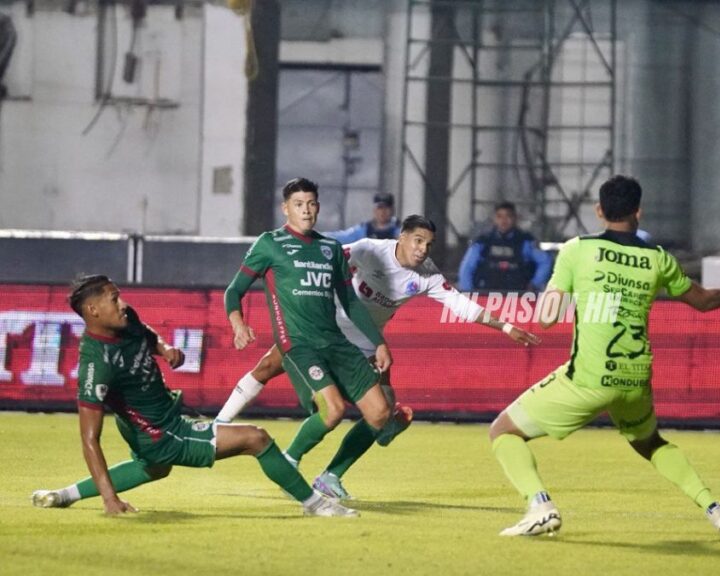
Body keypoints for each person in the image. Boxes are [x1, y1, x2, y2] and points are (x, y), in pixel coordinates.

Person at [488, 175, 720, 537]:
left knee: (503, 431)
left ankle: (540, 506)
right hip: (635, 378)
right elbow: (704, 302)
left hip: (588, 379)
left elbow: (547, 318)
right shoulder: (658, 259)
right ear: (638, 212)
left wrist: (565, 289)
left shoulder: (577, 249)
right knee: (650, 442)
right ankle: (716, 510)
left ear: (599, 210)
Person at [216, 214, 542, 500]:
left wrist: (506, 326)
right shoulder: (368, 249)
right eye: (417, 241)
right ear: (401, 237)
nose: (422, 249)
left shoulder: (426, 276)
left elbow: (462, 306)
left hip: (365, 345)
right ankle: (220, 425)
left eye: (428, 244)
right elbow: (321, 260)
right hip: (324, 329)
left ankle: (329, 476)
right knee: (268, 367)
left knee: (381, 410)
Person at [30, 275, 352, 517]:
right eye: (114, 299)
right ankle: (315, 504)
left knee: (153, 468)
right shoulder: (95, 364)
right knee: (257, 439)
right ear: (93, 311)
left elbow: (147, 334)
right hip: (160, 433)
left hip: (161, 419)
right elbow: (89, 438)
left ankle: (64, 495)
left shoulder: (127, 320)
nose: (123, 303)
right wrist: (110, 500)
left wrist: (165, 348)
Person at [224, 177, 395, 517]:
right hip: (299, 345)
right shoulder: (269, 244)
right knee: (332, 411)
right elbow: (234, 290)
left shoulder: (330, 248)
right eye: (299, 204)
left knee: (381, 413)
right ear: (285, 208)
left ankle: (330, 476)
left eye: (311, 203)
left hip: (336, 341)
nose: (306, 209)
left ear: (318, 207)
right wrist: (238, 323)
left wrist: (379, 343)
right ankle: (289, 460)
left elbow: (350, 300)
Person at [458, 201, 552, 292]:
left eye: (508, 216)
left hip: (518, 297)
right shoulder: (483, 242)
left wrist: (534, 284)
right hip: (486, 295)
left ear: (515, 218)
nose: (504, 220)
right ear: (494, 219)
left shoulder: (525, 241)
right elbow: (466, 268)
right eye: (499, 216)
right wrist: (468, 293)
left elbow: (545, 261)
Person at [329, 192, 401, 244]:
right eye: (380, 208)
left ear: (392, 210)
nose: (383, 212)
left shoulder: (400, 231)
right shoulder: (365, 229)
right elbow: (342, 237)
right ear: (374, 210)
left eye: (386, 208)